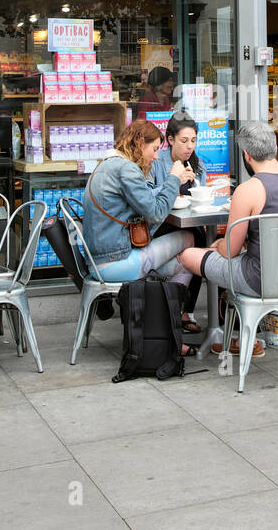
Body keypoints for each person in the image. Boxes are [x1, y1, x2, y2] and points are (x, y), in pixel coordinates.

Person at [178, 120, 278, 358]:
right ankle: (238, 333)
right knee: (238, 258)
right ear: (275, 149)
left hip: (263, 279)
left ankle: (181, 323)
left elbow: (229, 251)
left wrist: (216, 244)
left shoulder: (249, 189)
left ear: (246, 156)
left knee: (188, 255)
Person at [83, 119, 198, 354]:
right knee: (189, 240)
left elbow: (144, 197)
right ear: (138, 143)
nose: (156, 157)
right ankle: (168, 333)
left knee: (185, 260)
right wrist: (173, 179)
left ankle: (164, 333)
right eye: (154, 149)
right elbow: (155, 212)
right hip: (116, 263)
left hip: (101, 259)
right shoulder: (126, 169)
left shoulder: (110, 164)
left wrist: (167, 185)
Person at [150, 111, 209, 329]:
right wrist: (174, 181)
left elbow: (200, 194)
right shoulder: (158, 161)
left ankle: (186, 310)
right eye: (184, 141)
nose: (189, 146)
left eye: (193, 140)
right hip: (162, 225)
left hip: (190, 223)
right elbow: (149, 195)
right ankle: (182, 311)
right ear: (171, 139)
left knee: (201, 240)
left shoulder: (196, 162)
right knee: (199, 241)